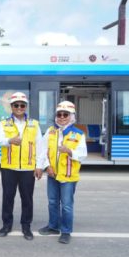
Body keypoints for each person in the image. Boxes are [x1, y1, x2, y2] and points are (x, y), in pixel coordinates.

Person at [0, 92, 44, 240]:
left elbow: (40, 146)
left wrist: (39, 166)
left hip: (28, 168)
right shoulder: (4, 123)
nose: (19, 107)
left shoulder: (34, 124)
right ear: (11, 107)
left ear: (25, 106)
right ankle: (6, 225)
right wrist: (10, 140)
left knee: (27, 199)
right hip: (9, 167)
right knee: (8, 198)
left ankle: (26, 226)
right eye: (16, 105)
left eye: (22, 105)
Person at [38, 101, 87, 244]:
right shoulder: (51, 131)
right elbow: (43, 151)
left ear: (71, 116)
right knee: (52, 202)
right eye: (59, 114)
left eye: (65, 114)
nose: (61, 117)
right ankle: (53, 226)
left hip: (69, 176)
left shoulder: (78, 134)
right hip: (53, 174)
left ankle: (66, 231)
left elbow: (83, 154)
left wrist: (69, 151)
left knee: (66, 205)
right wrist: (46, 167)